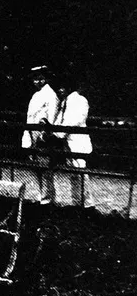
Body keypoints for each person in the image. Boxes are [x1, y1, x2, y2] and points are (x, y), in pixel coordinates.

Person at [50, 71, 92, 205]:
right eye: (59, 88)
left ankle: (87, 204)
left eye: (63, 87)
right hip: (68, 143)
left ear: (69, 87)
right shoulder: (65, 102)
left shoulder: (79, 100)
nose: (60, 90)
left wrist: (58, 133)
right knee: (73, 174)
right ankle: (76, 203)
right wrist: (53, 130)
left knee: (81, 173)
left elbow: (72, 121)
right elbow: (59, 121)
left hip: (78, 142)